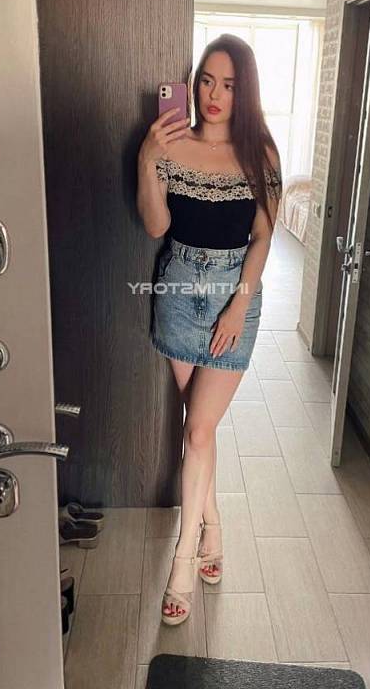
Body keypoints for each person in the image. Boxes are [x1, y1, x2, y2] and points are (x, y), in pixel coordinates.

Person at [136, 34, 282, 626]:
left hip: (233, 297)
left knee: (197, 429)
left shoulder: (261, 153)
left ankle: (182, 561)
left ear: (245, 92)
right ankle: (213, 527)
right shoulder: (172, 145)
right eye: (206, 81)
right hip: (176, 289)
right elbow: (155, 226)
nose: (214, 94)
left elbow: (264, 234)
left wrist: (238, 306)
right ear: (193, 84)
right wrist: (148, 159)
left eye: (229, 84)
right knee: (200, 431)